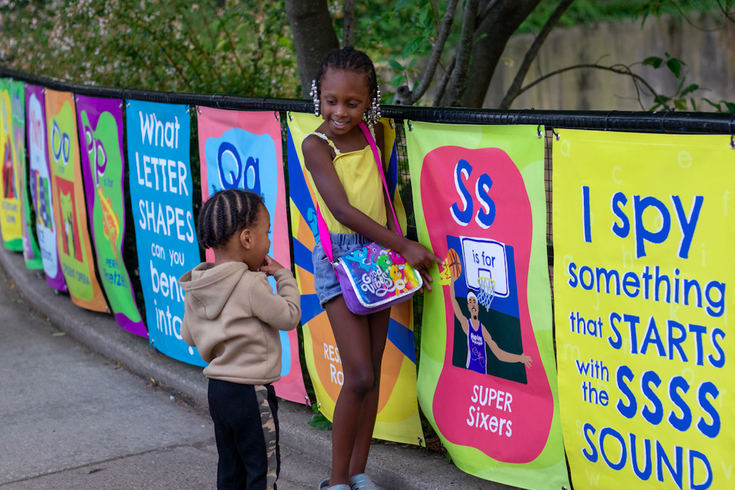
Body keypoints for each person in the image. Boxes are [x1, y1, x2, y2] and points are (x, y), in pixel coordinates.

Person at [302, 46, 443, 490]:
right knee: (359, 374)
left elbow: (385, 193)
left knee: (374, 371)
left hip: (379, 257)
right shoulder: (315, 144)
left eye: (353, 102)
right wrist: (405, 246)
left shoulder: (377, 134)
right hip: (340, 259)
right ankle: (336, 480)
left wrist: (397, 251)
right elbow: (341, 210)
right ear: (317, 96)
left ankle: (359, 473)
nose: (340, 111)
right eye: (330, 101)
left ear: (370, 101)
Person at [179, 189, 301, 490]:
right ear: (247, 239)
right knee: (262, 470)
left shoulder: (199, 284)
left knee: (231, 469)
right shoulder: (251, 285)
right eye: (266, 233)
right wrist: (284, 276)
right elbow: (288, 316)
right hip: (251, 394)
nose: (269, 241)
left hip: (218, 392)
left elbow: (188, 336)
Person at [449, 266, 532, 374]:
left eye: (474, 301)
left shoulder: (482, 329)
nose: (473, 303)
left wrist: (519, 359)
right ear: (468, 307)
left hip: (483, 373)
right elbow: (454, 304)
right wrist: (452, 282)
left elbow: (499, 354)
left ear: (478, 307)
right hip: (469, 372)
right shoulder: (466, 324)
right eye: (470, 301)